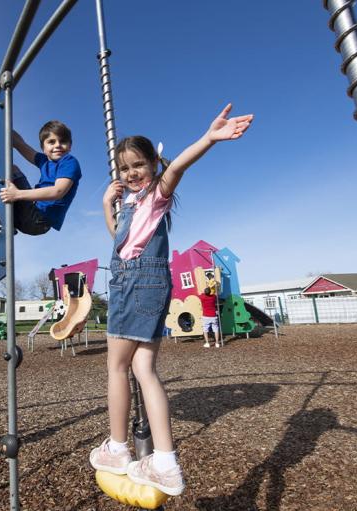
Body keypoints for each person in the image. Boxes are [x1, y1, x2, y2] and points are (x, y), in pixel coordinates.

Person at [88, 104, 253, 496]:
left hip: (135, 285)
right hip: (150, 283)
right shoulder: (130, 205)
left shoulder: (156, 195)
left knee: (116, 368)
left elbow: (177, 167)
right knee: (144, 369)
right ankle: (165, 462)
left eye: (137, 165)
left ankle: (116, 447)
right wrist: (105, 207)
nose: (130, 173)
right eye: (124, 168)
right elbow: (120, 241)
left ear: (151, 164)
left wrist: (209, 138)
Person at [0, 119, 82, 240]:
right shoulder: (44, 162)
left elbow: (58, 191)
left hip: (39, 220)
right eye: (51, 142)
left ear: (70, 146)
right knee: (11, 169)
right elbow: (19, 143)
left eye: (63, 141)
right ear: (43, 147)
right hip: (28, 215)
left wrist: (17, 194)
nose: (57, 145)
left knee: (12, 172)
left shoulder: (68, 162)